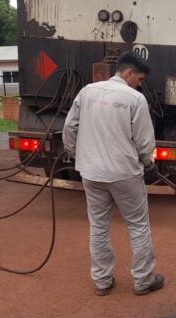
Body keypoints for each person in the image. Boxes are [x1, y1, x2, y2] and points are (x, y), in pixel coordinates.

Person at [63, 52, 164, 297]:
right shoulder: (135, 99)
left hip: (91, 173)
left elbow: (69, 128)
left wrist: (77, 154)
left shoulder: (87, 92)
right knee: (138, 225)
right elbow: (144, 142)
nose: (139, 84)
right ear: (129, 72)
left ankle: (102, 281)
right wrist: (148, 164)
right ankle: (144, 280)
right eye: (139, 79)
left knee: (98, 226)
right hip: (124, 173)